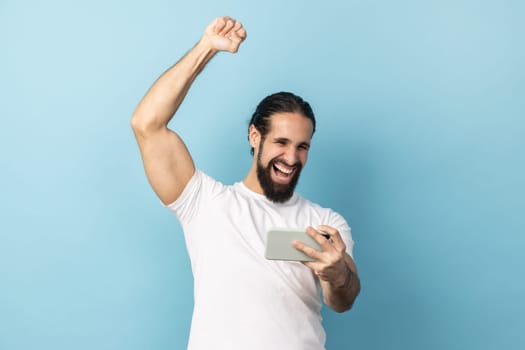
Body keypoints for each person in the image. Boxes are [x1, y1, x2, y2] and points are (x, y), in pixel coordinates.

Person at [131, 16, 360, 350]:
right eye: (281, 143)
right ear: (255, 136)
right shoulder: (204, 203)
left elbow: (343, 300)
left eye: (302, 147)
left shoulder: (326, 223)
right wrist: (207, 48)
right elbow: (147, 124)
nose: (292, 158)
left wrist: (337, 272)